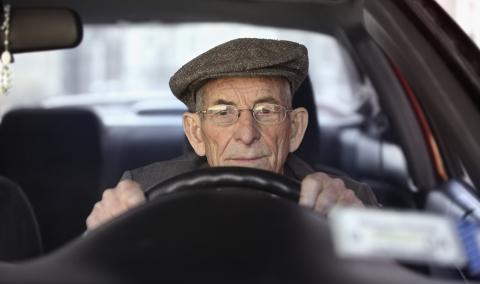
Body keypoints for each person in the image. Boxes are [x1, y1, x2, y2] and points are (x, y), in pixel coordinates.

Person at [86, 38, 377, 230]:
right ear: (196, 133)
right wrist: (98, 238)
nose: (247, 134)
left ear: (295, 129)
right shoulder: (142, 192)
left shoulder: (346, 199)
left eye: (266, 110)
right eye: (223, 113)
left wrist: (360, 231)